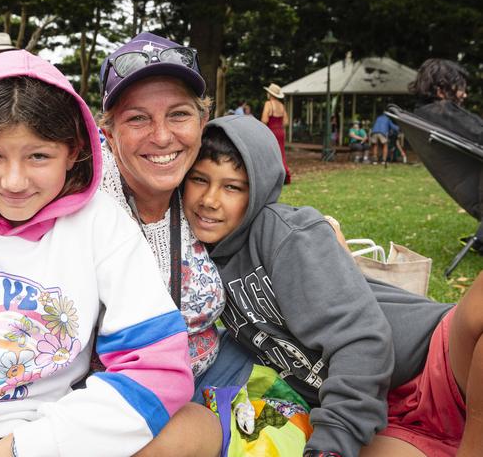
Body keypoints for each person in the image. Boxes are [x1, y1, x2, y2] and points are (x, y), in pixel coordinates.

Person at [0, 32, 251, 457]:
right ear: (105, 132)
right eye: (138, 118)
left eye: (178, 115)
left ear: (73, 151)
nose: (14, 181)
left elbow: (157, 364)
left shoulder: (188, 200)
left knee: (198, 429)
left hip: (59, 430)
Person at [182, 113, 483, 457]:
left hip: (435, 365)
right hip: (387, 417)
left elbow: (363, 341)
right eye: (199, 180)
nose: (209, 199)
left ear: (259, 188)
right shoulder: (199, 263)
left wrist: (331, 445)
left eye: (232, 186)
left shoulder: (284, 234)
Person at [409, 58, 483, 145]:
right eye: (460, 88)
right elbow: (479, 134)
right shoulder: (444, 112)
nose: (465, 95)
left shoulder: (420, 113)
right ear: (440, 91)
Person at [260, 83, 291, 183]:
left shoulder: (268, 104)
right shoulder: (281, 105)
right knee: (281, 154)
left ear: (270, 94)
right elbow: (286, 122)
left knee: (269, 153)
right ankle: (284, 175)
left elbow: (264, 120)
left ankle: (271, 176)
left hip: (271, 131)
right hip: (280, 131)